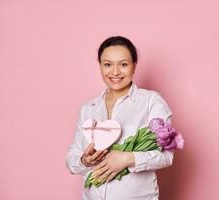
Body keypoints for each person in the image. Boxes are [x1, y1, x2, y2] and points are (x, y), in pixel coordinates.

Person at [66, 36, 174, 200]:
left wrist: (127, 159)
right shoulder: (88, 109)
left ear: (134, 65)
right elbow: (72, 158)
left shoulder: (151, 101)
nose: (115, 72)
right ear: (100, 66)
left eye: (123, 64)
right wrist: (84, 160)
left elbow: (167, 156)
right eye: (107, 64)